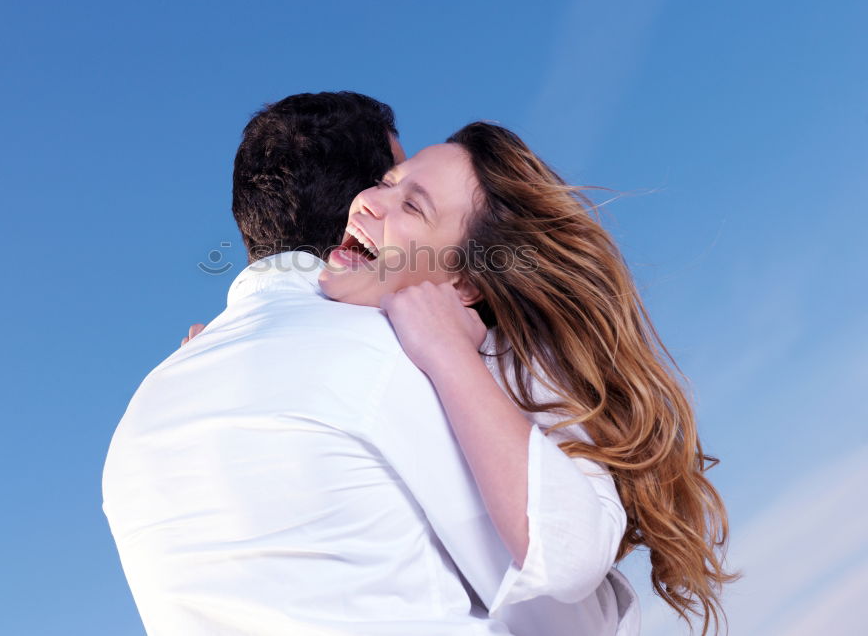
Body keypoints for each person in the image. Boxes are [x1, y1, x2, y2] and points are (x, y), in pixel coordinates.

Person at [102, 92, 633, 635]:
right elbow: (564, 606)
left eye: (413, 205)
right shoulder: (398, 359)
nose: (371, 202)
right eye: (385, 181)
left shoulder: (146, 407)